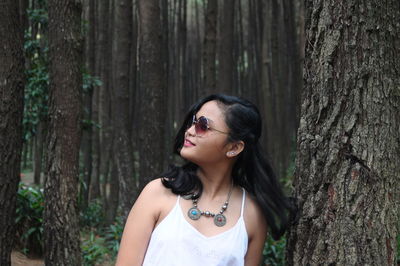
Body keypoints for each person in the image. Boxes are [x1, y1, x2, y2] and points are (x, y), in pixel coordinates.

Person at [116, 94, 295, 266]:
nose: (190, 131)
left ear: (234, 147)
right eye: (193, 122)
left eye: (203, 126)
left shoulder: (251, 214)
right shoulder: (158, 192)